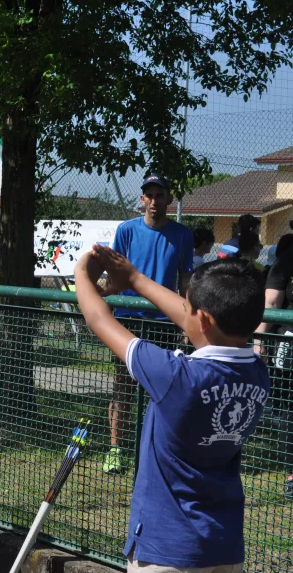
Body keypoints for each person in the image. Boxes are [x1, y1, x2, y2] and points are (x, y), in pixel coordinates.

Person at [75, 246, 268, 573]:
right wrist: (134, 278)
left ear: (204, 319)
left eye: (188, 308)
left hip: (167, 552)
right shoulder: (258, 373)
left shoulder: (177, 377)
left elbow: (98, 318)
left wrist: (82, 274)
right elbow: (207, 322)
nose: (182, 314)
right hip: (225, 547)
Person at [103, 174, 194, 475]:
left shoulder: (182, 234)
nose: (154, 201)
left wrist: (187, 322)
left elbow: (186, 281)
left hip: (164, 323)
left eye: (160, 195)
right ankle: (116, 450)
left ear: (170, 199)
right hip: (128, 321)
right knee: (123, 389)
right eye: (149, 195)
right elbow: (115, 275)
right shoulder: (126, 230)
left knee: (164, 391)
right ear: (142, 199)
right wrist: (102, 297)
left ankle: (159, 451)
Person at [254, 232, 293, 498]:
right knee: (290, 409)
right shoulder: (287, 260)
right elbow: (271, 302)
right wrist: (259, 340)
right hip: (289, 342)